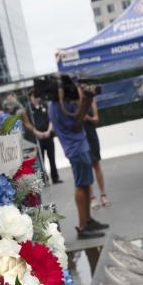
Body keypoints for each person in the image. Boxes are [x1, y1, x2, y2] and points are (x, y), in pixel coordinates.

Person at [43, 75, 108, 240]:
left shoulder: (57, 105)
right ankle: (82, 227)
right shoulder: (59, 106)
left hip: (78, 147)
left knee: (86, 185)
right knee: (81, 186)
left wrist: (85, 100)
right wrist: (86, 101)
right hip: (76, 149)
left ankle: (88, 221)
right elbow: (77, 123)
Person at [23, 91, 62, 184]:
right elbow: (26, 123)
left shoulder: (44, 105)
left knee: (52, 158)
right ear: (31, 98)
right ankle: (44, 178)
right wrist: (36, 132)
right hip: (38, 138)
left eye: (37, 96)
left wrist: (49, 130)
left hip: (48, 136)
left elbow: (51, 119)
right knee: (41, 160)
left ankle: (55, 177)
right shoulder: (28, 109)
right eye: (34, 96)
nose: (36, 98)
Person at [83, 99, 109, 208]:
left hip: (92, 135)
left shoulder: (90, 100)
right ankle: (92, 198)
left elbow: (96, 119)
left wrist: (87, 118)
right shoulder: (71, 103)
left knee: (96, 165)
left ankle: (103, 195)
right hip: (80, 138)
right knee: (86, 167)